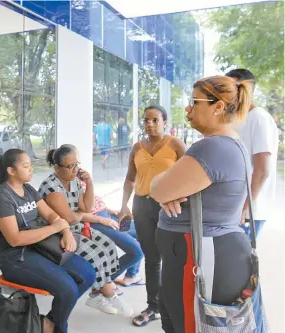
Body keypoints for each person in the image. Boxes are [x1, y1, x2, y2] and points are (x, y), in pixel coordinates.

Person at [150, 76, 253, 333]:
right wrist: (170, 188)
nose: (188, 109)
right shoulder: (229, 144)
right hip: (204, 253)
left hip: (201, 256)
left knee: (189, 326)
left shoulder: (212, 148)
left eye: (194, 102)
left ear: (218, 107)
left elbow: (156, 188)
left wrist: (166, 188)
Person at [0, 149, 95, 333]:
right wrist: (54, 228)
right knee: (68, 289)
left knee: (88, 274)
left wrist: (66, 230)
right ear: (11, 171)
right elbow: (15, 239)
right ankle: (58, 329)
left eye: (30, 165)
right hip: (15, 258)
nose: (31, 170)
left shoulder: (28, 189)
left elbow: (51, 214)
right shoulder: (2, 197)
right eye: (26, 166)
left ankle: (48, 323)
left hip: (39, 247)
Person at [39, 144, 133, 316]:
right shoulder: (51, 187)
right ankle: (103, 293)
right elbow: (70, 218)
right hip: (57, 235)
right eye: (70, 166)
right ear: (57, 168)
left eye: (77, 164)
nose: (75, 170)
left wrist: (89, 183)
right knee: (97, 253)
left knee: (109, 246)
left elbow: (86, 208)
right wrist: (79, 214)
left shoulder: (74, 181)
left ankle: (102, 291)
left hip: (76, 228)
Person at [118, 104, 186, 327]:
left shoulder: (176, 145)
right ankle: (153, 307)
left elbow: (190, 176)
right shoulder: (137, 148)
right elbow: (129, 179)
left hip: (168, 207)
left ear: (165, 122)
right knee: (152, 259)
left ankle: (174, 306)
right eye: (146, 120)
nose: (150, 124)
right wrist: (124, 206)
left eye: (155, 120)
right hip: (142, 205)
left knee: (173, 259)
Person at [226, 69, 279, 239]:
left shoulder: (259, 118)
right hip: (236, 207)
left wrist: (244, 208)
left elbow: (262, 170)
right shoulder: (239, 119)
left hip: (248, 212)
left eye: (231, 88)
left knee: (241, 262)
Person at [79, 181, 144, 290]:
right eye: (72, 165)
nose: (76, 167)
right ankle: (104, 283)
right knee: (137, 252)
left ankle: (131, 276)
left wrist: (109, 210)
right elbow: (73, 214)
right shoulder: (64, 186)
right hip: (95, 220)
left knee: (142, 233)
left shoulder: (78, 178)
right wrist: (102, 219)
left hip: (105, 214)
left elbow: (95, 201)